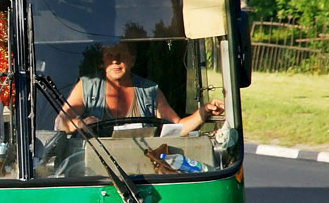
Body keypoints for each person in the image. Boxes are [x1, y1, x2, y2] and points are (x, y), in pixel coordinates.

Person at [55, 40, 223, 136]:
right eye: (110, 56)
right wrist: (80, 124)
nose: (115, 61)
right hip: (95, 166)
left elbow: (178, 127)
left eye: (121, 55)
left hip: (140, 167)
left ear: (133, 60)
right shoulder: (87, 86)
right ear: (103, 61)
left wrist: (205, 111)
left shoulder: (149, 91)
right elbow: (61, 122)